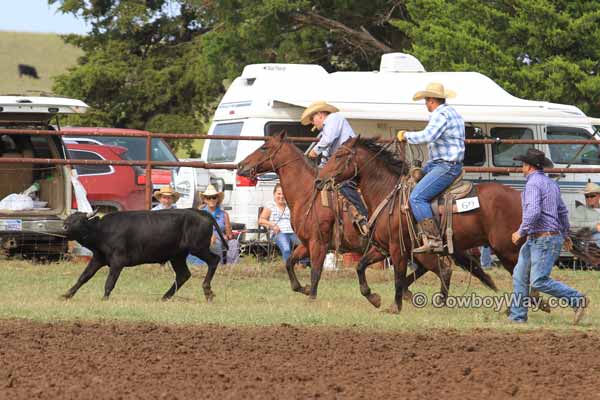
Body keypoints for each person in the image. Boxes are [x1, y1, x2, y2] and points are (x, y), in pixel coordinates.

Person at [508, 148, 588, 324]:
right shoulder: (551, 184)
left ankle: (577, 299)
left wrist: (521, 231)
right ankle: (517, 317)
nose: (522, 167)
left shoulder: (532, 184)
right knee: (520, 275)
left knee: (538, 281)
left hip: (542, 238)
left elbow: (534, 211)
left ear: (528, 166)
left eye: (523, 164)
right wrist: (566, 234)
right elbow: (562, 211)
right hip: (544, 237)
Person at [396, 82, 465, 253]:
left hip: (446, 166)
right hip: (440, 164)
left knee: (416, 197)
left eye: (426, 100)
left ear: (432, 100)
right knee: (410, 181)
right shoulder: (452, 112)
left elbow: (428, 135)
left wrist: (406, 135)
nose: (426, 103)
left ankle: (433, 239)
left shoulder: (440, 114)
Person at [301, 100, 369, 235]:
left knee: (344, 184)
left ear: (320, 114)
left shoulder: (334, 118)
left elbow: (327, 140)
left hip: (352, 160)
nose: (313, 123)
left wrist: (314, 151)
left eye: (313, 119)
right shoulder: (329, 127)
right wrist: (319, 169)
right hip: (345, 161)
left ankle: (364, 216)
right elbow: (327, 153)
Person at [259, 184, 299, 263]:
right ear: (274, 194)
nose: (281, 196)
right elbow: (261, 220)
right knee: (286, 248)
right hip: (279, 233)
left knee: (304, 246)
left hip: (292, 232)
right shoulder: (270, 205)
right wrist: (272, 225)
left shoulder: (290, 205)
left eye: (283, 194)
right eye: (279, 194)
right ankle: (289, 268)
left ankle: (302, 267)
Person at [199, 184, 233, 263]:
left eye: (214, 197)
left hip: (221, 238)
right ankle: (216, 265)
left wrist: (227, 236)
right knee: (214, 242)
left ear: (217, 199)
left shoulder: (224, 214)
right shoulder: (200, 213)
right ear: (205, 200)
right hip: (204, 238)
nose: (211, 199)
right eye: (208, 197)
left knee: (233, 243)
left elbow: (229, 234)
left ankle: (232, 266)